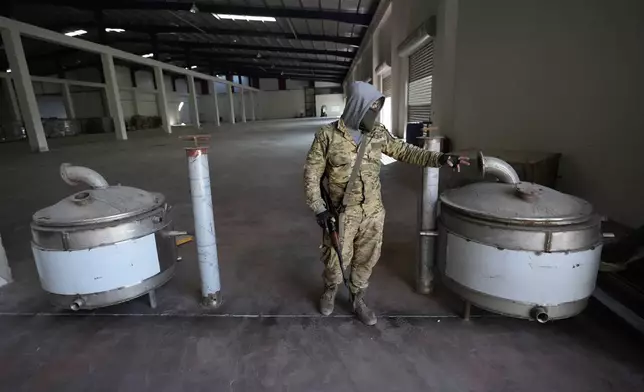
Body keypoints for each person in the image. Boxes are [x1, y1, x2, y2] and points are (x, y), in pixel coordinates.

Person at [303, 81, 470, 326]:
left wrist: (441, 158)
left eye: (377, 108)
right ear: (357, 107)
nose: (374, 113)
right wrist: (319, 208)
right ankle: (330, 289)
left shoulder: (378, 133)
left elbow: (407, 152)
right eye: (371, 108)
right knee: (335, 259)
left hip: (372, 212)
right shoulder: (327, 136)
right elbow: (311, 175)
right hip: (341, 214)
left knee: (366, 258)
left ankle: (358, 298)